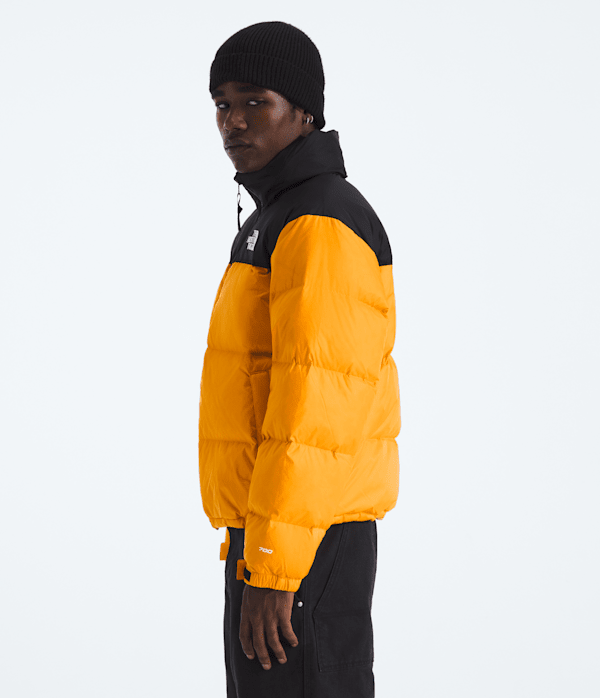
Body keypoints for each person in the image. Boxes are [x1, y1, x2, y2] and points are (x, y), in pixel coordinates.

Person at [198, 20, 401, 698]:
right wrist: (258, 552)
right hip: (275, 531)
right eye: (222, 103)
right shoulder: (279, 215)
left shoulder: (319, 221)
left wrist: (275, 565)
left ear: (305, 111)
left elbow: (317, 407)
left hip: (305, 540)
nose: (233, 121)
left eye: (255, 101)